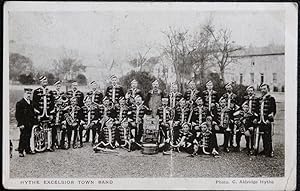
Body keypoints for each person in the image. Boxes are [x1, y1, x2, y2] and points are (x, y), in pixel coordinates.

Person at [32, 76, 55, 152]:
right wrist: (37, 114)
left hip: (48, 114)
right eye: (43, 81)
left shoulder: (50, 91)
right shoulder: (36, 91)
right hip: (40, 114)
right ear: (40, 82)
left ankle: (49, 145)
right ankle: (38, 145)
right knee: (38, 130)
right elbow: (34, 104)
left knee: (49, 130)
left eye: (46, 81)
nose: (45, 83)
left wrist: (51, 113)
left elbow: (52, 104)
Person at [15, 88, 37, 157]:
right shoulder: (20, 103)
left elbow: (33, 113)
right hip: (23, 123)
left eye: (30, 93)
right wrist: (20, 124)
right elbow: (17, 115)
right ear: (24, 93)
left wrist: (35, 121)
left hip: (30, 123)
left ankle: (28, 149)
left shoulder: (31, 102)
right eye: (27, 93)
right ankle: (21, 150)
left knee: (29, 136)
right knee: (23, 136)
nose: (29, 95)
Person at [258, 83, 276, 157]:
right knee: (263, 135)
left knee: (268, 136)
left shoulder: (271, 98)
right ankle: (265, 150)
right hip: (261, 120)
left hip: (267, 120)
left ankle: (269, 151)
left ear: (268, 89)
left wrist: (269, 119)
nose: (263, 90)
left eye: (264, 89)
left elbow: (273, 110)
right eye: (262, 89)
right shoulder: (260, 99)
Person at [219, 82, 239, 149]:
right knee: (225, 128)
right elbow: (220, 102)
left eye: (229, 87)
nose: (228, 89)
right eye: (227, 88)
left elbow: (238, 106)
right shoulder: (224, 95)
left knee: (232, 128)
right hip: (225, 113)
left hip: (232, 113)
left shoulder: (235, 96)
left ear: (232, 88)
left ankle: (231, 143)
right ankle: (225, 143)